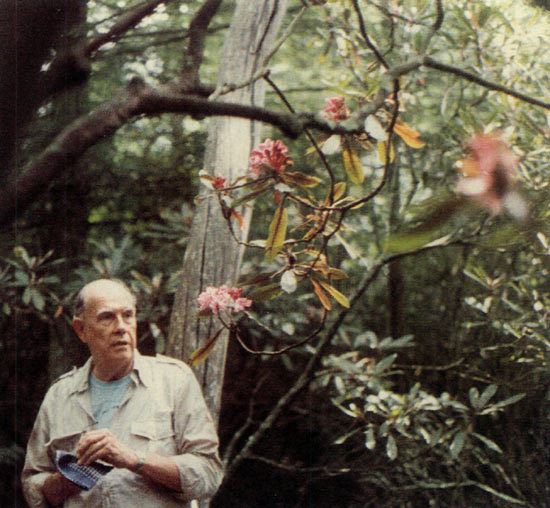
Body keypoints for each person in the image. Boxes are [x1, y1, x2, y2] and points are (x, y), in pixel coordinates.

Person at [21, 278, 223, 507]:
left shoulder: (174, 380)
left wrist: (134, 459)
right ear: (81, 329)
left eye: (128, 315)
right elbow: (32, 484)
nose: (121, 327)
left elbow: (209, 474)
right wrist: (68, 479)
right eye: (107, 317)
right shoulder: (59, 396)